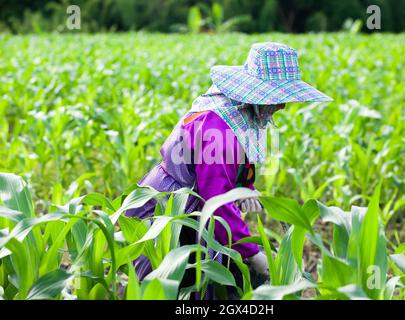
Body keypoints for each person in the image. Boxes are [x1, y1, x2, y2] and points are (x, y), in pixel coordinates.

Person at [125, 42, 332, 296]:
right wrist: (252, 253)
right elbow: (218, 203)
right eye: (278, 98)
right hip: (172, 212)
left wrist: (244, 189)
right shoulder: (219, 128)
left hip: (191, 205)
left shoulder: (234, 111)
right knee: (173, 286)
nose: (283, 106)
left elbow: (228, 173)